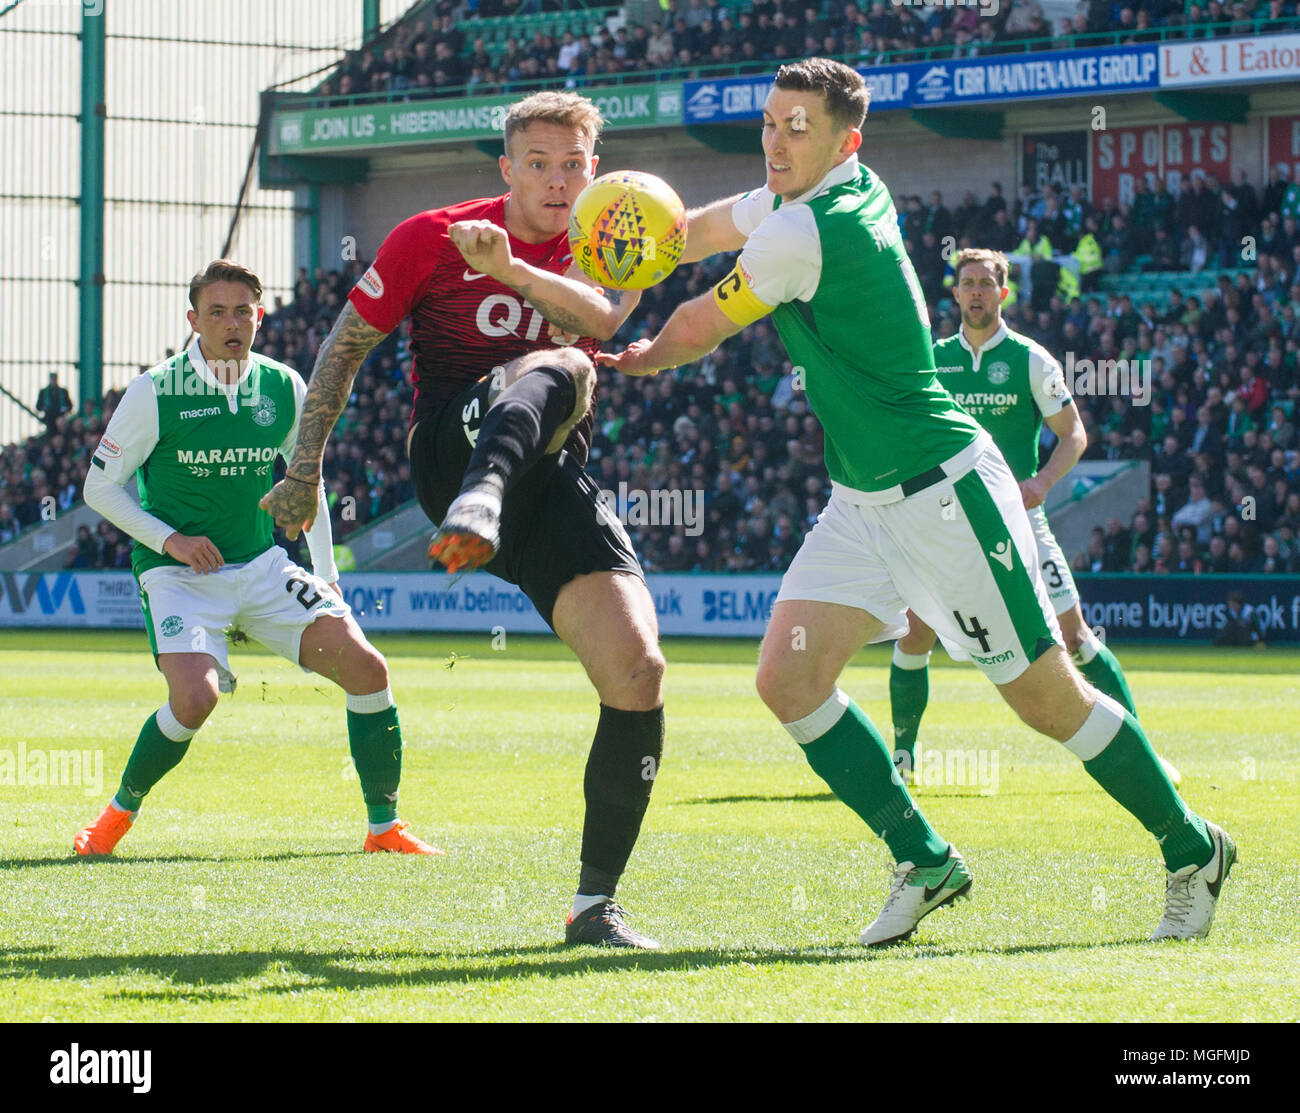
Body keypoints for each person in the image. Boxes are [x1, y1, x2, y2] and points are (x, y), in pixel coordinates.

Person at [601, 58, 1234, 945]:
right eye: (770, 122)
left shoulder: (806, 231)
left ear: (844, 141)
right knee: (789, 678)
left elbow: (702, 323)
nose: (775, 142)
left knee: (1050, 699)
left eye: (797, 129)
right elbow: (711, 224)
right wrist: (649, 240)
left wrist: (626, 349)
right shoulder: (828, 189)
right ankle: (925, 857)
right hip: (862, 499)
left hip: (944, 495)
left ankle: (1192, 846)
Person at [260, 93, 666, 950]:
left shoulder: (618, 242)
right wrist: (303, 470)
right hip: (452, 461)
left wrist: (515, 269)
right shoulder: (430, 236)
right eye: (540, 164)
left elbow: (596, 320)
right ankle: (483, 493)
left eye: (574, 164)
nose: (559, 181)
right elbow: (342, 350)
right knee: (560, 365)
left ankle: (594, 907)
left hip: (547, 481)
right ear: (507, 169)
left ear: (594, 170)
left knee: (637, 670)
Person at [75, 260, 437, 858]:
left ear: (260, 317)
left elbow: (306, 480)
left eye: (243, 310)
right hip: (179, 574)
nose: (231, 323)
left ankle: (383, 829)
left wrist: (328, 576)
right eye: (216, 312)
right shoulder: (155, 392)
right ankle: (116, 815)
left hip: (261, 565)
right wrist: (172, 541)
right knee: (196, 699)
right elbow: (99, 488)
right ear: (193, 320)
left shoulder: (283, 385)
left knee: (368, 669)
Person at [892, 247, 1181, 786]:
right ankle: (903, 758)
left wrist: (1042, 482)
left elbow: (1074, 434)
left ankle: (1143, 756)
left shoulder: (1030, 359)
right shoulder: (934, 360)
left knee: (1074, 638)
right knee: (915, 633)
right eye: (968, 282)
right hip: (948, 522)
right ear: (954, 294)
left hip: (1020, 521)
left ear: (1004, 293)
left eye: (986, 283)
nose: (976, 291)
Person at [36, 372, 73, 437]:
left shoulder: (63, 391)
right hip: (49, 418)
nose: (53, 381)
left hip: (61, 416)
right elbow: (38, 406)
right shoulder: (43, 392)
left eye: (54, 379)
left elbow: (70, 405)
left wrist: (65, 409)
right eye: (52, 379)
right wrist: (44, 408)